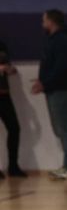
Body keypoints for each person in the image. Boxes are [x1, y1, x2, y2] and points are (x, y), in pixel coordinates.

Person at [34, 9, 67, 179]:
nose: (42, 24)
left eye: (44, 20)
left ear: (51, 22)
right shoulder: (54, 41)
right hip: (55, 90)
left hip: (63, 92)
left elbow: (62, 68)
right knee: (60, 129)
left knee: (65, 129)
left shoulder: (62, 42)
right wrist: (42, 82)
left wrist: (45, 83)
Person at [0, 39, 22, 177]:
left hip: (4, 94)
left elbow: (7, 65)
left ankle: (13, 166)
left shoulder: (2, 45)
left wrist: (10, 69)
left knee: (14, 128)